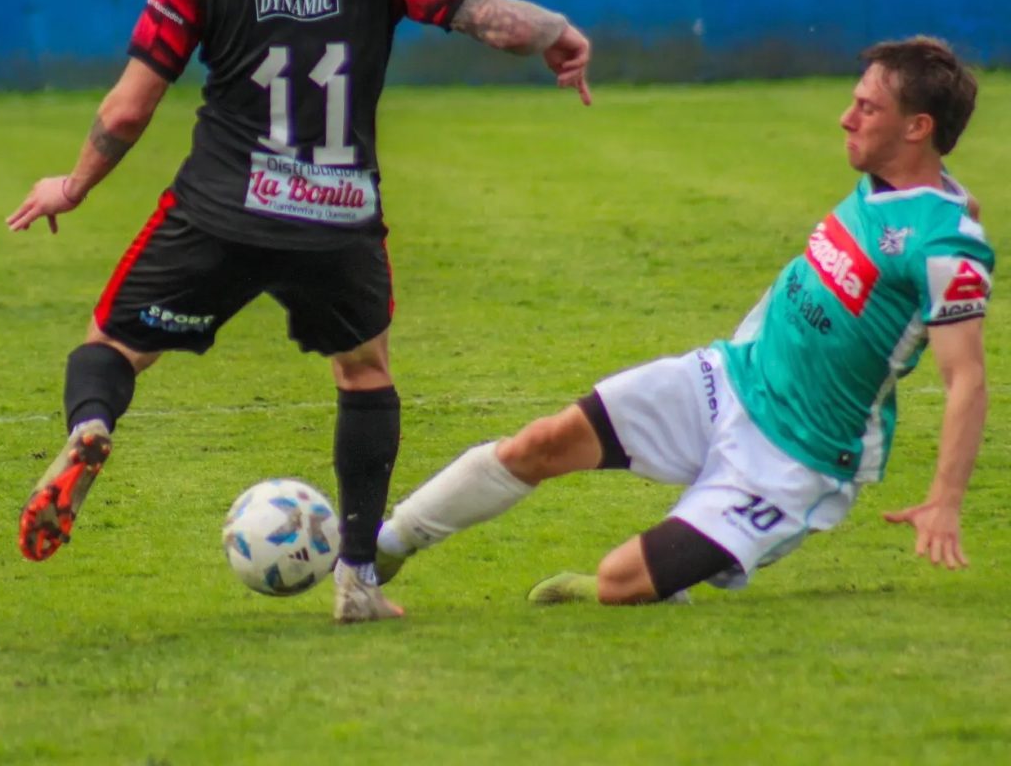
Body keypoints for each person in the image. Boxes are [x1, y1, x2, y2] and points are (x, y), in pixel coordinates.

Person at [6, 0, 591, 625]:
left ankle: (91, 427)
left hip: (220, 209)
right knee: (363, 372)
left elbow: (128, 109)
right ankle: (357, 580)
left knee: (115, 348)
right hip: (336, 216)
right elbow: (499, 22)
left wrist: (73, 184)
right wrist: (559, 33)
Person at [374, 37, 993, 606]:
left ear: (918, 127)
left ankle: (653, 582)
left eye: (867, 107)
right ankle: (383, 547)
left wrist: (945, 501)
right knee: (540, 442)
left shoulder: (945, 247)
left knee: (620, 582)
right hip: (730, 377)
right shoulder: (892, 186)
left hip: (795, 459)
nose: (845, 117)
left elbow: (966, 378)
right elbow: (943, 199)